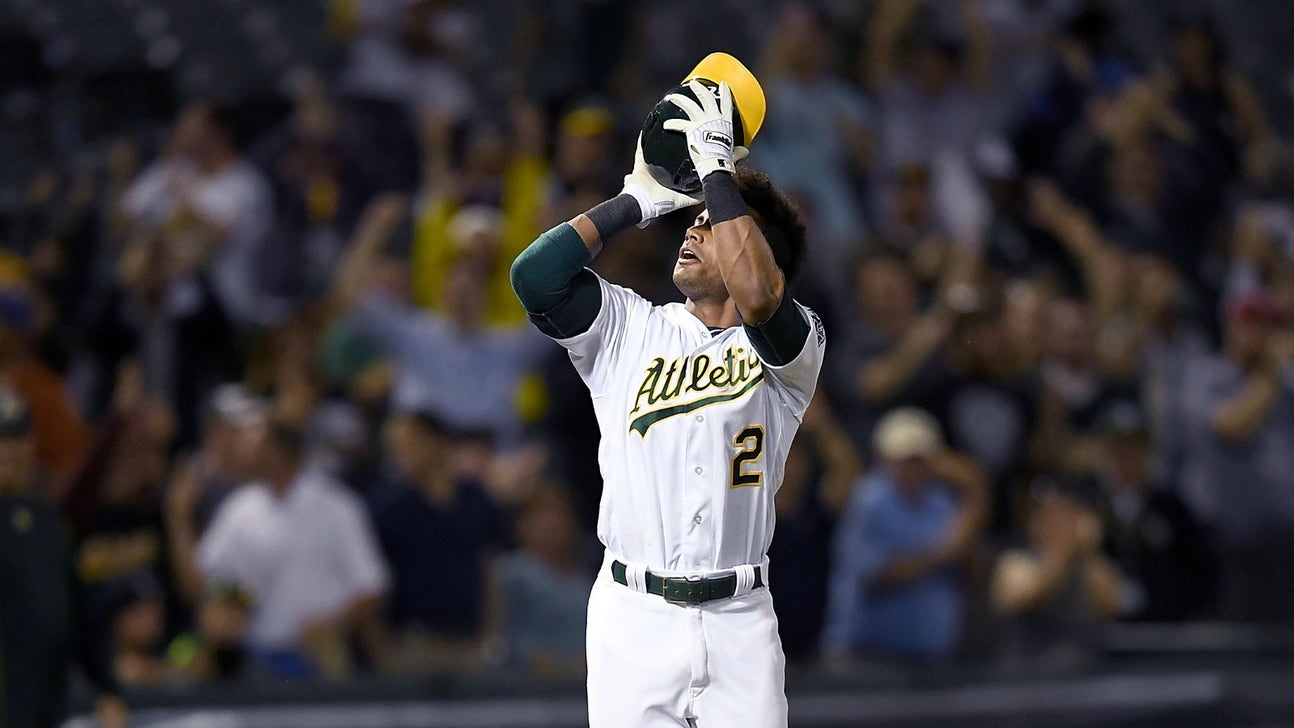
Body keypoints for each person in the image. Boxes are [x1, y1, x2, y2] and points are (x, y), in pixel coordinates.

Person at [510, 75, 824, 727]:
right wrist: (633, 202)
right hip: (634, 612)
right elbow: (534, 278)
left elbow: (762, 299)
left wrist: (718, 171)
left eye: (713, 226)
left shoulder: (795, 346)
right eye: (696, 222)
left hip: (740, 617)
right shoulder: (629, 326)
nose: (694, 231)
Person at [195, 418, 390, 678]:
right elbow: (212, 574)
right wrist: (228, 605)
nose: (245, 452)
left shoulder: (336, 507)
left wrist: (334, 622)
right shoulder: (241, 509)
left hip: (323, 656)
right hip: (258, 656)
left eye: (256, 445)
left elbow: (373, 585)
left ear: (278, 451)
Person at [0, 388, 126, 728]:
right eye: (1, 441)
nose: (8, 452)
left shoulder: (47, 521)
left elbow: (79, 609)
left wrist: (107, 687)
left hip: (46, 705)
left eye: (16, 439)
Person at [821, 408, 987, 661]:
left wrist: (975, 500)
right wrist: (944, 554)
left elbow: (970, 566)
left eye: (920, 458)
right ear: (886, 458)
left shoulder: (943, 502)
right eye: (906, 459)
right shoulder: (868, 500)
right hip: (868, 656)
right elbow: (875, 574)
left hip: (931, 657)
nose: (913, 467)